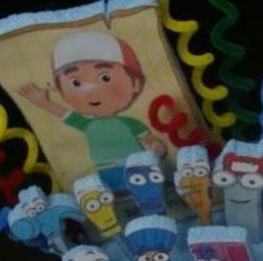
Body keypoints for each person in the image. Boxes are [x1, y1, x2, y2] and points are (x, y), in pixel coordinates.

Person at [18, 31, 166, 190]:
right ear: (61, 92)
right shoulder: (86, 124)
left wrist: (156, 147)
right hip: (106, 171)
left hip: (137, 167)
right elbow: (63, 113)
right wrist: (43, 102)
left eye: (105, 77)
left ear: (135, 83)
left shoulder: (130, 123)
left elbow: (150, 140)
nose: (91, 90)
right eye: (76, 83)